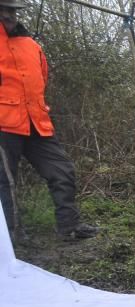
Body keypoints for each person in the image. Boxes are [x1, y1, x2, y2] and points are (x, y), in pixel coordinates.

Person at [0, 0, 97, 240]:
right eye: (3, 10)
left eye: (11, 10)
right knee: (5, 182)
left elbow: (42, 77)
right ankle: (10, 236)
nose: (8, 15)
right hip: (3, 123)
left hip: (36, 121)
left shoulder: (31, 45)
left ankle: (69, 227)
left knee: (61, 170)